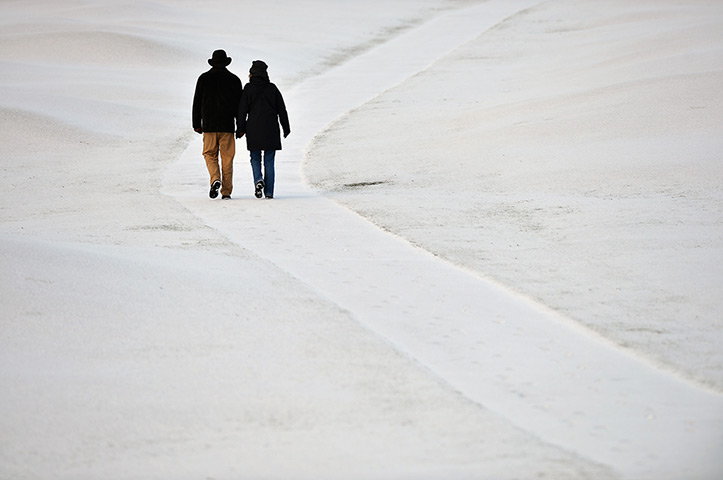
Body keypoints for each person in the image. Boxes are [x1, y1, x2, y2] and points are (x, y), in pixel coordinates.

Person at [192, 49, 243, 199]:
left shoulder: (204, 78)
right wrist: (240, 127)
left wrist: (197, 123)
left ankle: (215, 178)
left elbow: (197, 103)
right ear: (226, 62)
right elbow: (239, 107)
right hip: (227, 125)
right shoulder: (234, 80)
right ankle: (226, 192)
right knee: (227, 157)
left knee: (209, 154)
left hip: (209, 125)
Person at [236, 60, 290, 199]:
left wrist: (240, 129)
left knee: (255, 158)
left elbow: (242, 110)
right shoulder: (272, 88)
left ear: (253, 73)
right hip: (271, 128)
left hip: (253, 128)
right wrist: (286, 127)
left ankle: (258, 180)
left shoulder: (248, 89)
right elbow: (281, 110)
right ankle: (269, 192)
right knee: (269, 160)